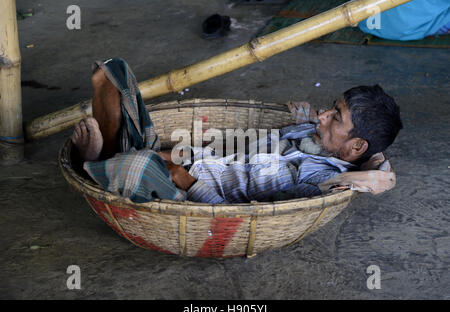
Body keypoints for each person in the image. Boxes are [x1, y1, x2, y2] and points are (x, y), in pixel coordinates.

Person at [72, 58, 402, 204]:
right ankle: (106, 161)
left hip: (186, 195)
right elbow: (226, 151)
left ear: (357, 146)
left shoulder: (319, 182)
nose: (323, 116)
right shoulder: (308, 132)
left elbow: (246, 215)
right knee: (114, 72)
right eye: (330, 107)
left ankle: (99, 164)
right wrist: (171, 156)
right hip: (186, 162)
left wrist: (181, 177)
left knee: (138, 168)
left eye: (336, 117)